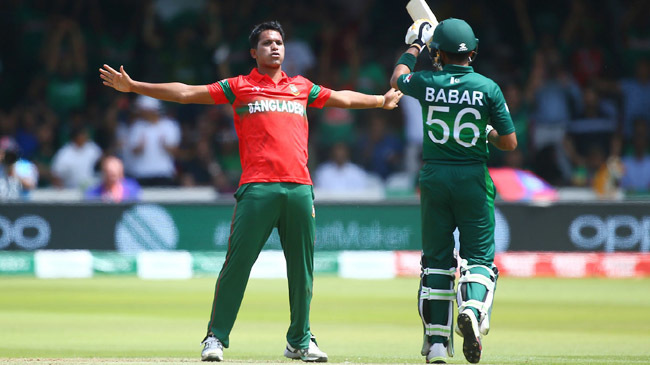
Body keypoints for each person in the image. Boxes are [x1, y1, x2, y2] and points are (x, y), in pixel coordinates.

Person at [100, 20, 402, 363]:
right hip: (257, 188)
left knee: (301, 270)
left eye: (279, 42)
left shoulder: (300, 86)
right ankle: (215, 338)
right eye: (267, 43)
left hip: (300, 188)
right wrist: (134, 86)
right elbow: (186, 92)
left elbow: (342, 99)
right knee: (237, 266)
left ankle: (300, 341)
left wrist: (380, 100)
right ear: (253, 53)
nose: (275, 47)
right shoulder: (240, 86)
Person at [390, 18, 517, 364]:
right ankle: (473, 312)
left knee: (436, 262)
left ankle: (435, 344)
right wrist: (487, 129)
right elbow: (509, 142)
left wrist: (415, 45)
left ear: (437, 53)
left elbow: (398, 78)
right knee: (478, 260)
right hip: (473, 178)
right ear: (473, 52)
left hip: (434, 176)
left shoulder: (427, 81)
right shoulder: (488, 88)